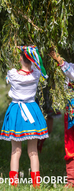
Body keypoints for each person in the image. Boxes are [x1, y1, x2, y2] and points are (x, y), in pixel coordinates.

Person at [0, 46, 49, 187]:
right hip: (32, 110)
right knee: (33, 151)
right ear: (33, 60)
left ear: (20, 58)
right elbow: (39, 66)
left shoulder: (12, 74)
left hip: (16, 111)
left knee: (16, 151)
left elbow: (8, 76)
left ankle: (14, 184)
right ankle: (36, 184)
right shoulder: (36, 74)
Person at [49, 47, 74, 188]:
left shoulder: (69, 68)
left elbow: (71, 74)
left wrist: (59, 60)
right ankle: (71, 180)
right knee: (70, 143)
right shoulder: (70, 65)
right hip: (71, 111)